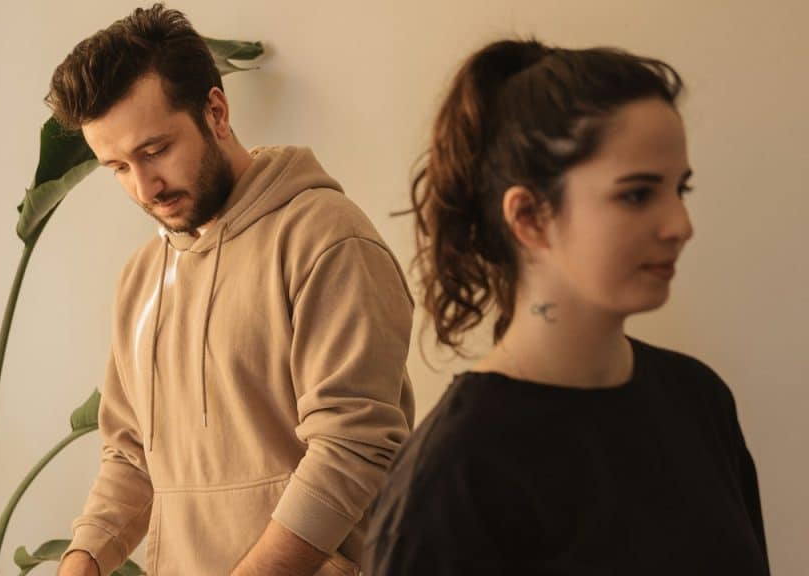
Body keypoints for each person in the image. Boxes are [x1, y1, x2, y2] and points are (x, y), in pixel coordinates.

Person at [363, 39, 769, 575]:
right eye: (638, 194)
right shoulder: (452, 477)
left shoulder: (699, 399)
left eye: (681, 189)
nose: (681, 225)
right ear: (530, 217)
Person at [46, 5, 415, 576]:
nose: (144, 188)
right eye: (117, 167)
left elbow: (353, 447)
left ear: (215, 112)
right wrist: (83, 561)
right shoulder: (142, 276)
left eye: (154, 151)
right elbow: (131, 456)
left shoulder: (327, 239)